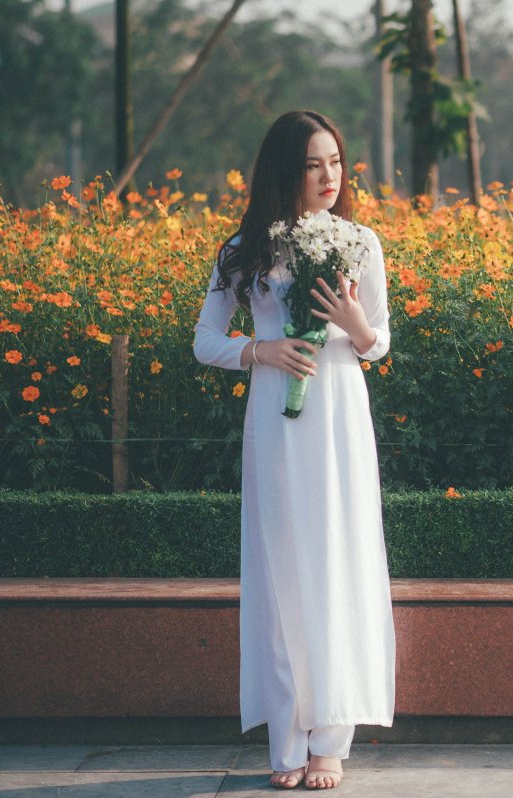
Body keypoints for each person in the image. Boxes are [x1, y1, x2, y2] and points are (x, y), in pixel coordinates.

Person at [193, 110, 395, 790]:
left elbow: (380, 343)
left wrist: (352, 321)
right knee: (282, 571)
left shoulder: (361, 241)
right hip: (277, 423)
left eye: (336, 161)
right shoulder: (244, 250)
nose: (329, 177)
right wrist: (263, 349)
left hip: (338, 413)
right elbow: (205, 341)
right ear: (285, 171)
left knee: (338, 562)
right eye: (313, 164)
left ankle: (331, 739)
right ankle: (287, 737)